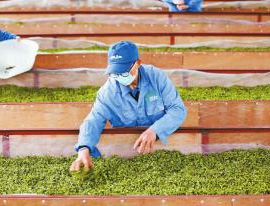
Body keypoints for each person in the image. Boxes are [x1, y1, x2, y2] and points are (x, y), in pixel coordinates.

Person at [70, 41, 187, 172]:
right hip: (126, 154)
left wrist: (155, 130)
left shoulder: (156, 78)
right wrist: (83, 148)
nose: (120, 76)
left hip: (160, 149)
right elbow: (93, 120)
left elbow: (178, 110)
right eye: (116, 72)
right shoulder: (108, 92)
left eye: (124, 71)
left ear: (138, 63)